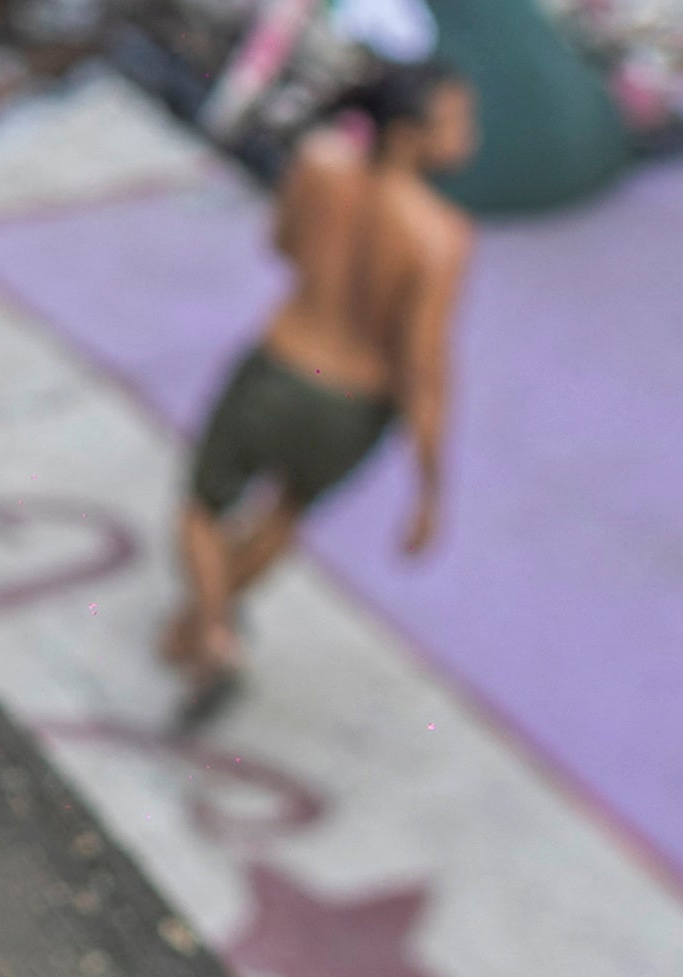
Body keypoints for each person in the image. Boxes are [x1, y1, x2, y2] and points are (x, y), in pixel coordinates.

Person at [163, 61, 475, 713]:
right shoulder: (439, 238)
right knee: (285, 510)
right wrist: (429, 484)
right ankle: (206, 623)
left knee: (203, 504)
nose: (469, 134)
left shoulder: (320, 163)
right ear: (407, 133)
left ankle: (210, 629)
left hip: (282, 361)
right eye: (455, 120)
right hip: (354, 407)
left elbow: (281, 245)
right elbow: (424, 366)